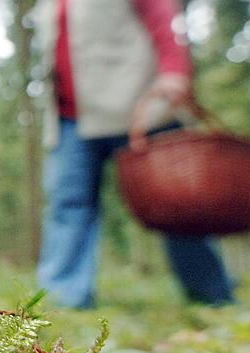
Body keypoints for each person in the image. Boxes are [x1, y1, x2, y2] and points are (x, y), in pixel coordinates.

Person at [32, 0, 235, 308]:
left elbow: (162, 16)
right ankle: (62, 300)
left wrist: (174, 72)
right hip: (70, 120)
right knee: (67, 204)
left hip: (140, 107)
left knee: (176, 202)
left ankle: (211, 297)